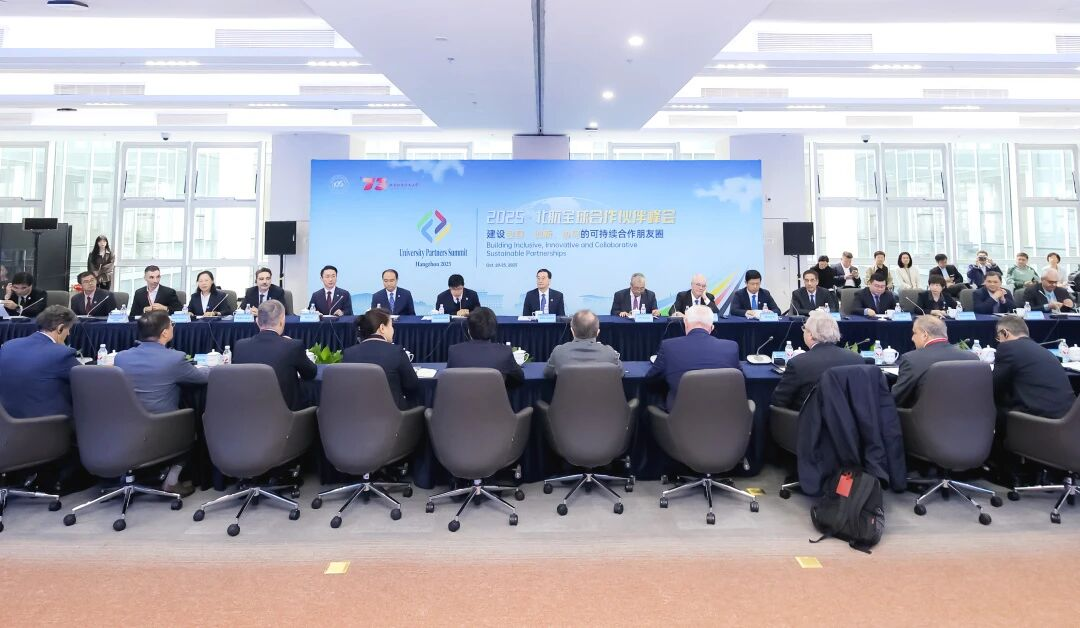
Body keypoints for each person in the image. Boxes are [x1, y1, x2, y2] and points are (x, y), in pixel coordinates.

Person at [114, 311, 207, 497]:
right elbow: (202, 378)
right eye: (172, 325)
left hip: (123, 427)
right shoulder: (174, 359)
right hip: (161, 428)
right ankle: (171, 480)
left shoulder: (121, 357)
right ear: (165, 333)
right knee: (191, 420)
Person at [645, 305, 738, 411]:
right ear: (712, 327)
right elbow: (740, 380)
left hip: (679, 416)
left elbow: (651, 379)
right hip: (724, 415)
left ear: (685, 323)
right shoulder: (731, 347)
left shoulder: (668, 346)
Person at [769, 310, 864, 410]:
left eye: (804, 328)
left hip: (809, 419)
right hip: (848, 418)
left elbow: (778, 401)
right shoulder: (857, 359)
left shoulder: (798, 363)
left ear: (810, 335)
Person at [232, 300, 317, 410]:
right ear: (282, 322)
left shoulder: (240, 346)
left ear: (257, 321)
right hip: (286, 416)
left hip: (247, 413)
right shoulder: (293, 346)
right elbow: (310, 374)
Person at [0, 306, 79, 419]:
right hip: (46, 424)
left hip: (6, 422)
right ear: (60, 328)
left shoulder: (8, 345)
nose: (69, 334)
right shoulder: (61, 353)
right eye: (68, 329)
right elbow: (85, 381)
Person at [992, 315, 1075, 420]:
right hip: (1069, 420)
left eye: (998, 337)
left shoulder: (1008, 347)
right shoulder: (1046, 352)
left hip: (1039, 422)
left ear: (1005, 333)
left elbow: (994, 386)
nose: (999, 341)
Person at [891, 315, 978, 408]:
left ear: (925, 335)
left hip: (923, 416)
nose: (912, 338)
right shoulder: (973, 358)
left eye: (914, 333)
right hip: (971, 415)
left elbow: (896, 399)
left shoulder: (911, 359)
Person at [341, 307, 418, 410]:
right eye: (391, 326)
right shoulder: (396, 352)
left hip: (356, 415)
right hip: (394, 416)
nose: (393, 330)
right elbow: (412, 385)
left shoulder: (348, 354)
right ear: (382, 328)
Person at [447, 306, 524, 388]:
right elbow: (519, 379)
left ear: (469, 330)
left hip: (462, 396)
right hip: (495, 396)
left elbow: (449, 380)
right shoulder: (505, 352)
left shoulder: (454, 351)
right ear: (494, 330)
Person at [544, 310, 622, 378]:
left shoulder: (559, 352)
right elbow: (620, 373)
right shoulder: (609, 353)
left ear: (572, 331)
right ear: (598, 332)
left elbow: (548, 374)